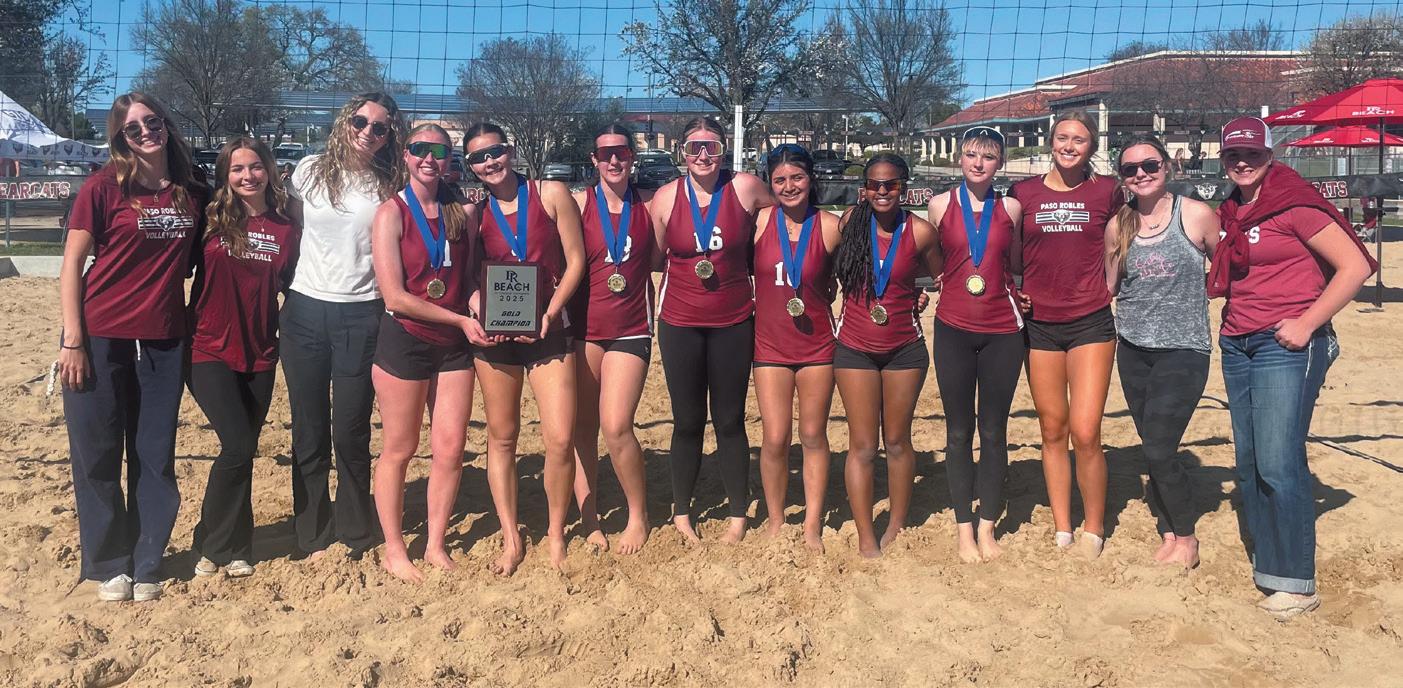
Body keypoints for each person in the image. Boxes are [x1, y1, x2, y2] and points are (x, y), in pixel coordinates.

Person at [1211, 117, 1375, 619]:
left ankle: (1298, 582)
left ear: (1270, 155)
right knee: (1250, 460)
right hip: (1238, 341)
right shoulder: (1231, 210)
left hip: (1286, 342)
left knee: (1280, 460)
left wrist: (1307, 323)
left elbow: (1356, 266)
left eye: (1252, 154)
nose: (1242, 162)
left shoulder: (1295, 202)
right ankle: (1271, 566)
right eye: (1233, 154)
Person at [57, 92, 209, 601]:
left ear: (167, 124)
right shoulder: (102, 188)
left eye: (153, 121)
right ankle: (108, 563)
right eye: (133, 128)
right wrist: (73, 340)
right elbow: (72, 265)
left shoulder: (192, 190)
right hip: (99, 335)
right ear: (120, 137)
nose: (146, 132)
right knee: (98, 452)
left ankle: (147, 560)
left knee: (154, 454)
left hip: (163, 338)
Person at [281, 92, 407, 559]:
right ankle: (312, 532)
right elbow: (296, 226)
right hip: (305, 309)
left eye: (380, 127)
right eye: (360, 121)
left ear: (389, 136)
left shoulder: (390, 184)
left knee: (351, 430)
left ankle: (355, 530)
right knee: (308, 427)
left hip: (362, 311)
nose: (367, 132)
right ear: (345, 121)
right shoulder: (309, 170)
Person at [465, 122, 586, 573]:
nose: (489, 162)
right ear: (470, 166)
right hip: (497, 338)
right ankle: (511, 537)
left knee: (560, 438)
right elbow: (466, 277)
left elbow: (576, 261)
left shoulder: (550, 194)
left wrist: (550, 313)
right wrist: (479, 307)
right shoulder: (474, 212)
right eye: (478, 158)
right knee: (502, 438)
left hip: (547, 330)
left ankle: (555, 532)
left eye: (495, 152)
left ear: (510, 151)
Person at [369, 124, 487, 582]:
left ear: (449, 158)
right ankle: (394, 548)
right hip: (406, 339)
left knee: (451, 449)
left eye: (439, 151)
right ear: (405, 154)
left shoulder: (461, 212)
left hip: (453, 345)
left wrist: (478, 306)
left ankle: (436, 543)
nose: (429, 159)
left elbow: (469, 279)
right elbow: (395, 297)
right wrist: (459, 319)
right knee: (400, 449)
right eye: (420, 149)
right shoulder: (391, 213)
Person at [647, 116, 772, 544]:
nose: (703, 155)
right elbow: (654, 259)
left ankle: (737, 511)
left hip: (733, 321)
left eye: (712, 147)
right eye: (694, 147)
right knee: (687, 421)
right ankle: (682, 510)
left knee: (730, 420)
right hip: (680, 322)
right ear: (681, 151)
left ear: (724, 149)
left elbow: (782, 230)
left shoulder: (747, 188)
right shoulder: (665, 197)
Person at [1010, 111, 1123, 558]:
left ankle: (1094, 526)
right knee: (1052, 428)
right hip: (1039, 323)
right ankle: (1063, 525)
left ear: (1092, 146)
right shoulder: (1024, 192)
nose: (1069, 145)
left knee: (1086, 430)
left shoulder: (1108, 191)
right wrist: (1014, 289)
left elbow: (1125, 242)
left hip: (1090, 320)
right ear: (1051, 141)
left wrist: (1113, 284)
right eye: (1062, 137)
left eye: (1079, 139)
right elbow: (1009, 252)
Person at [1105, 134, 1219, 569]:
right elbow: (1109, 287)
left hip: (1184, 349)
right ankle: (1169, 528)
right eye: (1130, 169)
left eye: (1149, 165)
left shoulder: (1196, 215)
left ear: (1166, 166)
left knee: (1157, 448)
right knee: (1151, 442)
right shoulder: (1119, 225)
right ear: (1122, 177)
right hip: (1134, 348)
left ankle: (1186, 536)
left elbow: (1228, 270)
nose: (1141, 174)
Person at [188, 137, 299, 580]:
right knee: (236, 445)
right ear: (226, 175)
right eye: (237, 169)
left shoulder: (287, 227)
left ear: (269, 170)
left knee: (244, 451)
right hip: (207, 347)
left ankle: (238, 546)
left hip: (260, 351)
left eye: (255, 167)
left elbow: (297, 284)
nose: (248, 176)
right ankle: (211, 545)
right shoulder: (209, 219)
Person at [832, 153, 940, 558]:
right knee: (862, 445)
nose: (882, 191)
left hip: (904, 349)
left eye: (890, 184)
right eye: (874, 185)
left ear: (903, 188)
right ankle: (865, 533)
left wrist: (920, 293)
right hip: (854, 348)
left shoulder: (922, 232)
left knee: (896, 441)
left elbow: (940, 275)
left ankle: (895, 521)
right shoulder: (849, 223)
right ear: (864, 189)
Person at [925, 127, 1025, 564]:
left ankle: (987, 526)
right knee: (958, 431)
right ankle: (964, 527)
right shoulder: (940, 205)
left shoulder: (1011, 208)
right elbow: (932, 258)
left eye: (988, 156)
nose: (978, 163)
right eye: (970, 154)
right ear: (959, 159)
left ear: (1000, 163)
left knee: (994, 431)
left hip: (1003, 330)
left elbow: (1014, 264)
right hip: (953, 327)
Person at [570, 123, 659, 554]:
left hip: (631, 327)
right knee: (582, 428)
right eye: (605, 153)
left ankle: (638, 515)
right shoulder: (577, 204)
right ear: (594, 160)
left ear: (632, 155)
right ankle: (589, 517)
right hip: (582, 330)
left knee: (617, 425)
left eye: (621, 152)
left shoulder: (651, 204)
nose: (613, 160)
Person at [752, 144, 840, 552]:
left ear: (811, 179)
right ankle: (775, 519)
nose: (789, 186)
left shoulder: (830, 225)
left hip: (817, 345)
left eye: (797, 177)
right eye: (780, 180)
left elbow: (861, 273)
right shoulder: (759, 221)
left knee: (812, 434)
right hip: (769, 345)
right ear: (771, 183)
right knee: (774, 437)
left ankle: (811, 523)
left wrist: (913, 295)